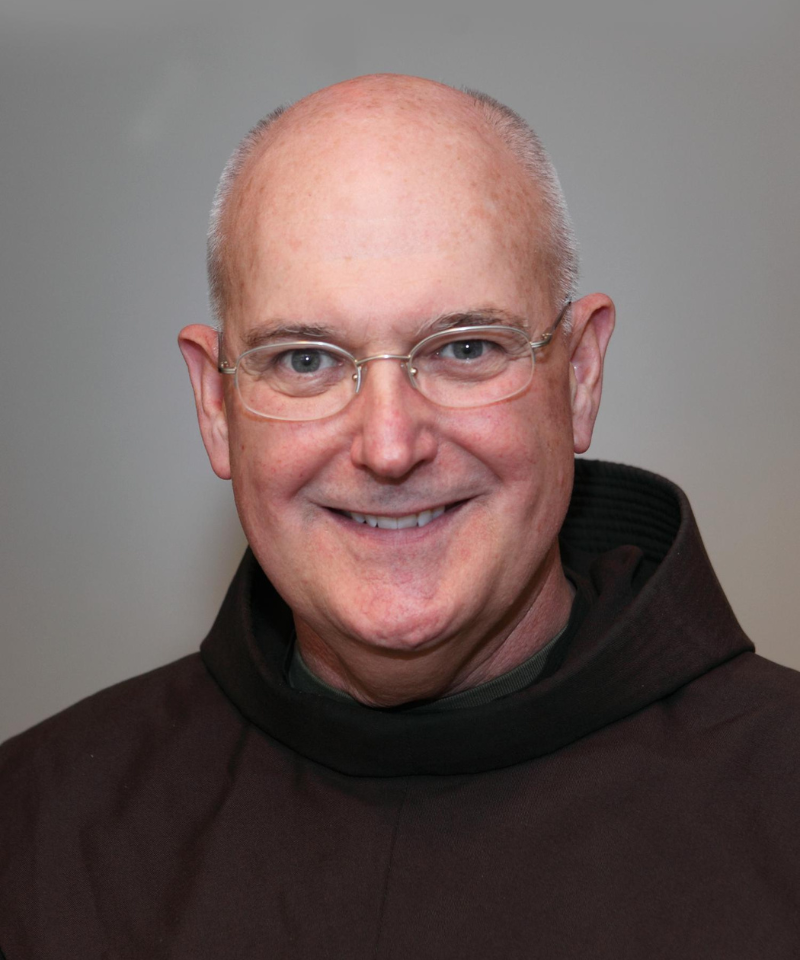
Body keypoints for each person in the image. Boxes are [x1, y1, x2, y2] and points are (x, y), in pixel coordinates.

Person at [1, 74, 798, 959]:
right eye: (305, 358)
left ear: (579, 376)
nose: (388, 445)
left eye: (464, 348)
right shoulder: (30, 836)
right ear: (215, 406)